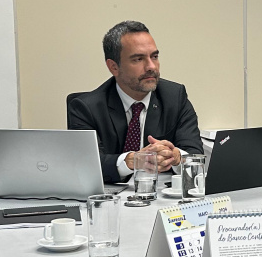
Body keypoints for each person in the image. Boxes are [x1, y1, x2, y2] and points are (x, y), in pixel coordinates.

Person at [68, 21, 203, 183]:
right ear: (113, 67)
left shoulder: (175, 97)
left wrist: (175, 156)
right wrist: (130, 161)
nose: (151, 67)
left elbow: (195, 155)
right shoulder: (85, 107)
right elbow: (84, 165)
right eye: (138, 59)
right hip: (111, 195)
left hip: (161, 194)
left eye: (154, 57)